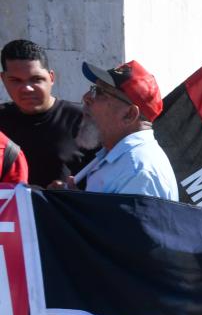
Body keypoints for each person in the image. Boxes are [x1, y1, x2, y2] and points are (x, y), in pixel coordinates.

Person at [53, 60, 177, 200]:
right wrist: (70, 202)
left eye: (99, 92)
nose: (86, 97)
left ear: (129, 114)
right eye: (93, 88)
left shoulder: (138, 172)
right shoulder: (118, 157)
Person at [0, 39, 92, 188]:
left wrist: (74, 191)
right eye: (16, 80)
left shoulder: (84, 121)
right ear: (3, 80)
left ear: (51, 77)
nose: (27, 88)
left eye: (36, 79)